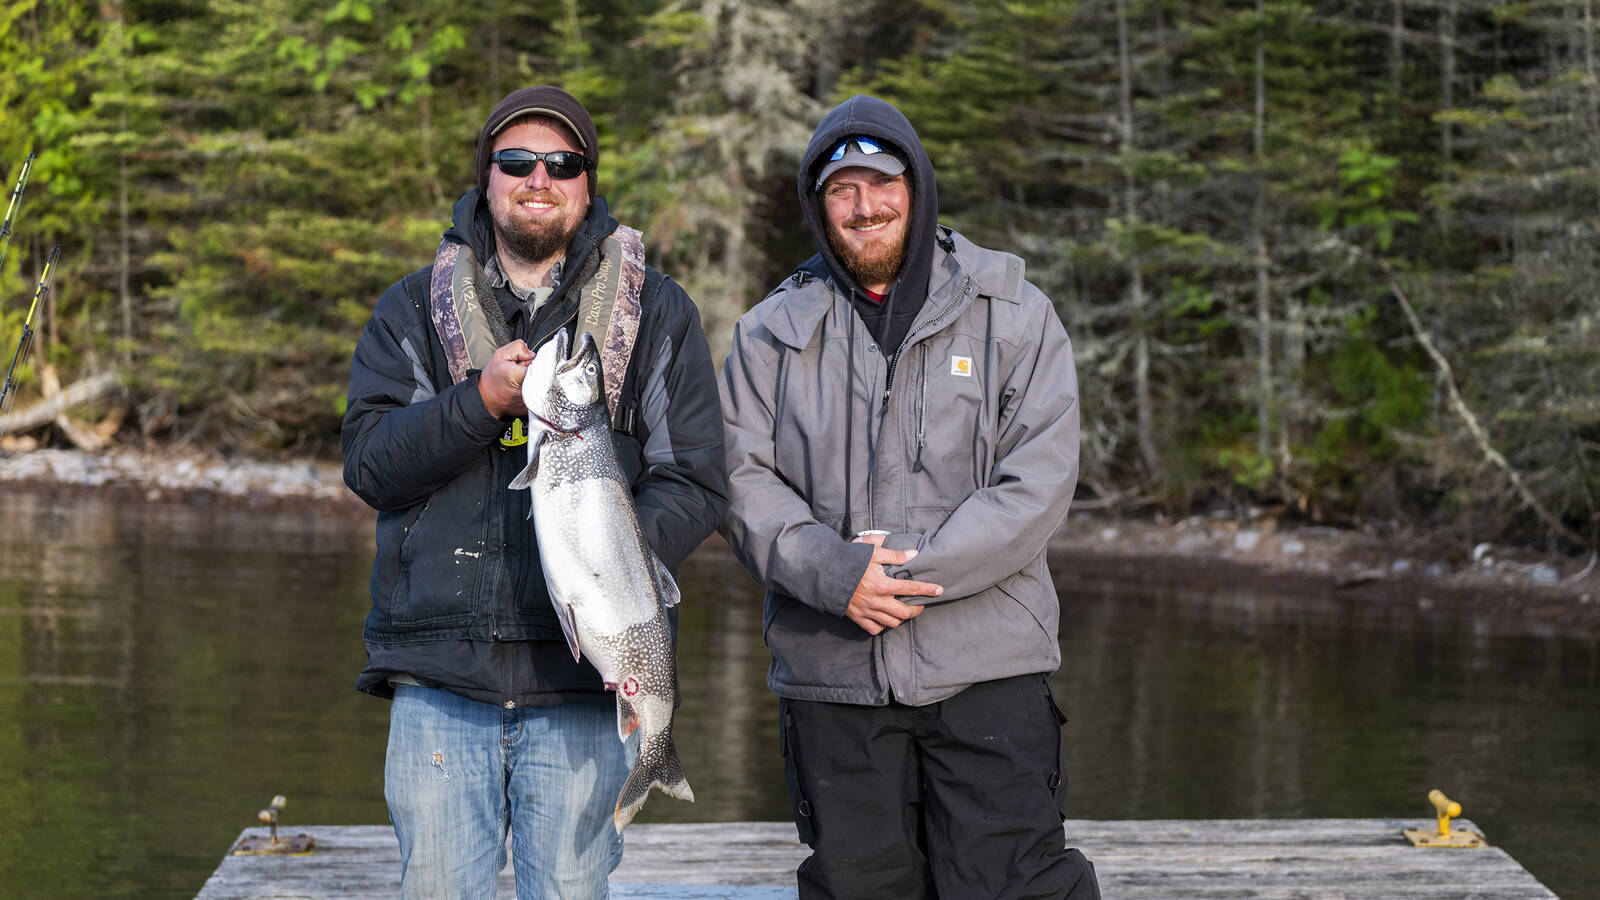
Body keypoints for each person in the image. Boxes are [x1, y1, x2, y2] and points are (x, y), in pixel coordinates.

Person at [341, 85, 726, 899]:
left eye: (563, 163)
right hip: (441, 682)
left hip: (585, 689)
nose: (539, 178)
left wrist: (617, 556)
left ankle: (658, 752)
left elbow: (695, 477)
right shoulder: (411, 310)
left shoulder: (659, 315)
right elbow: (369, 464)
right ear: (487, 177)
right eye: (517, 162)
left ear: (587, 183)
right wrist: (476, 404)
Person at [718, 94, 1102, 899]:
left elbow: (1039, 479)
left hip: (989, 665)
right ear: (818, 207)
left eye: (882, 180)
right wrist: (833, 573)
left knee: (1015, 886)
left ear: (917, 187)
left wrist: (904, 576)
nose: (866, 206)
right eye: (842, 190)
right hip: (834, 675)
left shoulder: (1017, 313)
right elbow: (741, 481)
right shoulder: (768, 335)